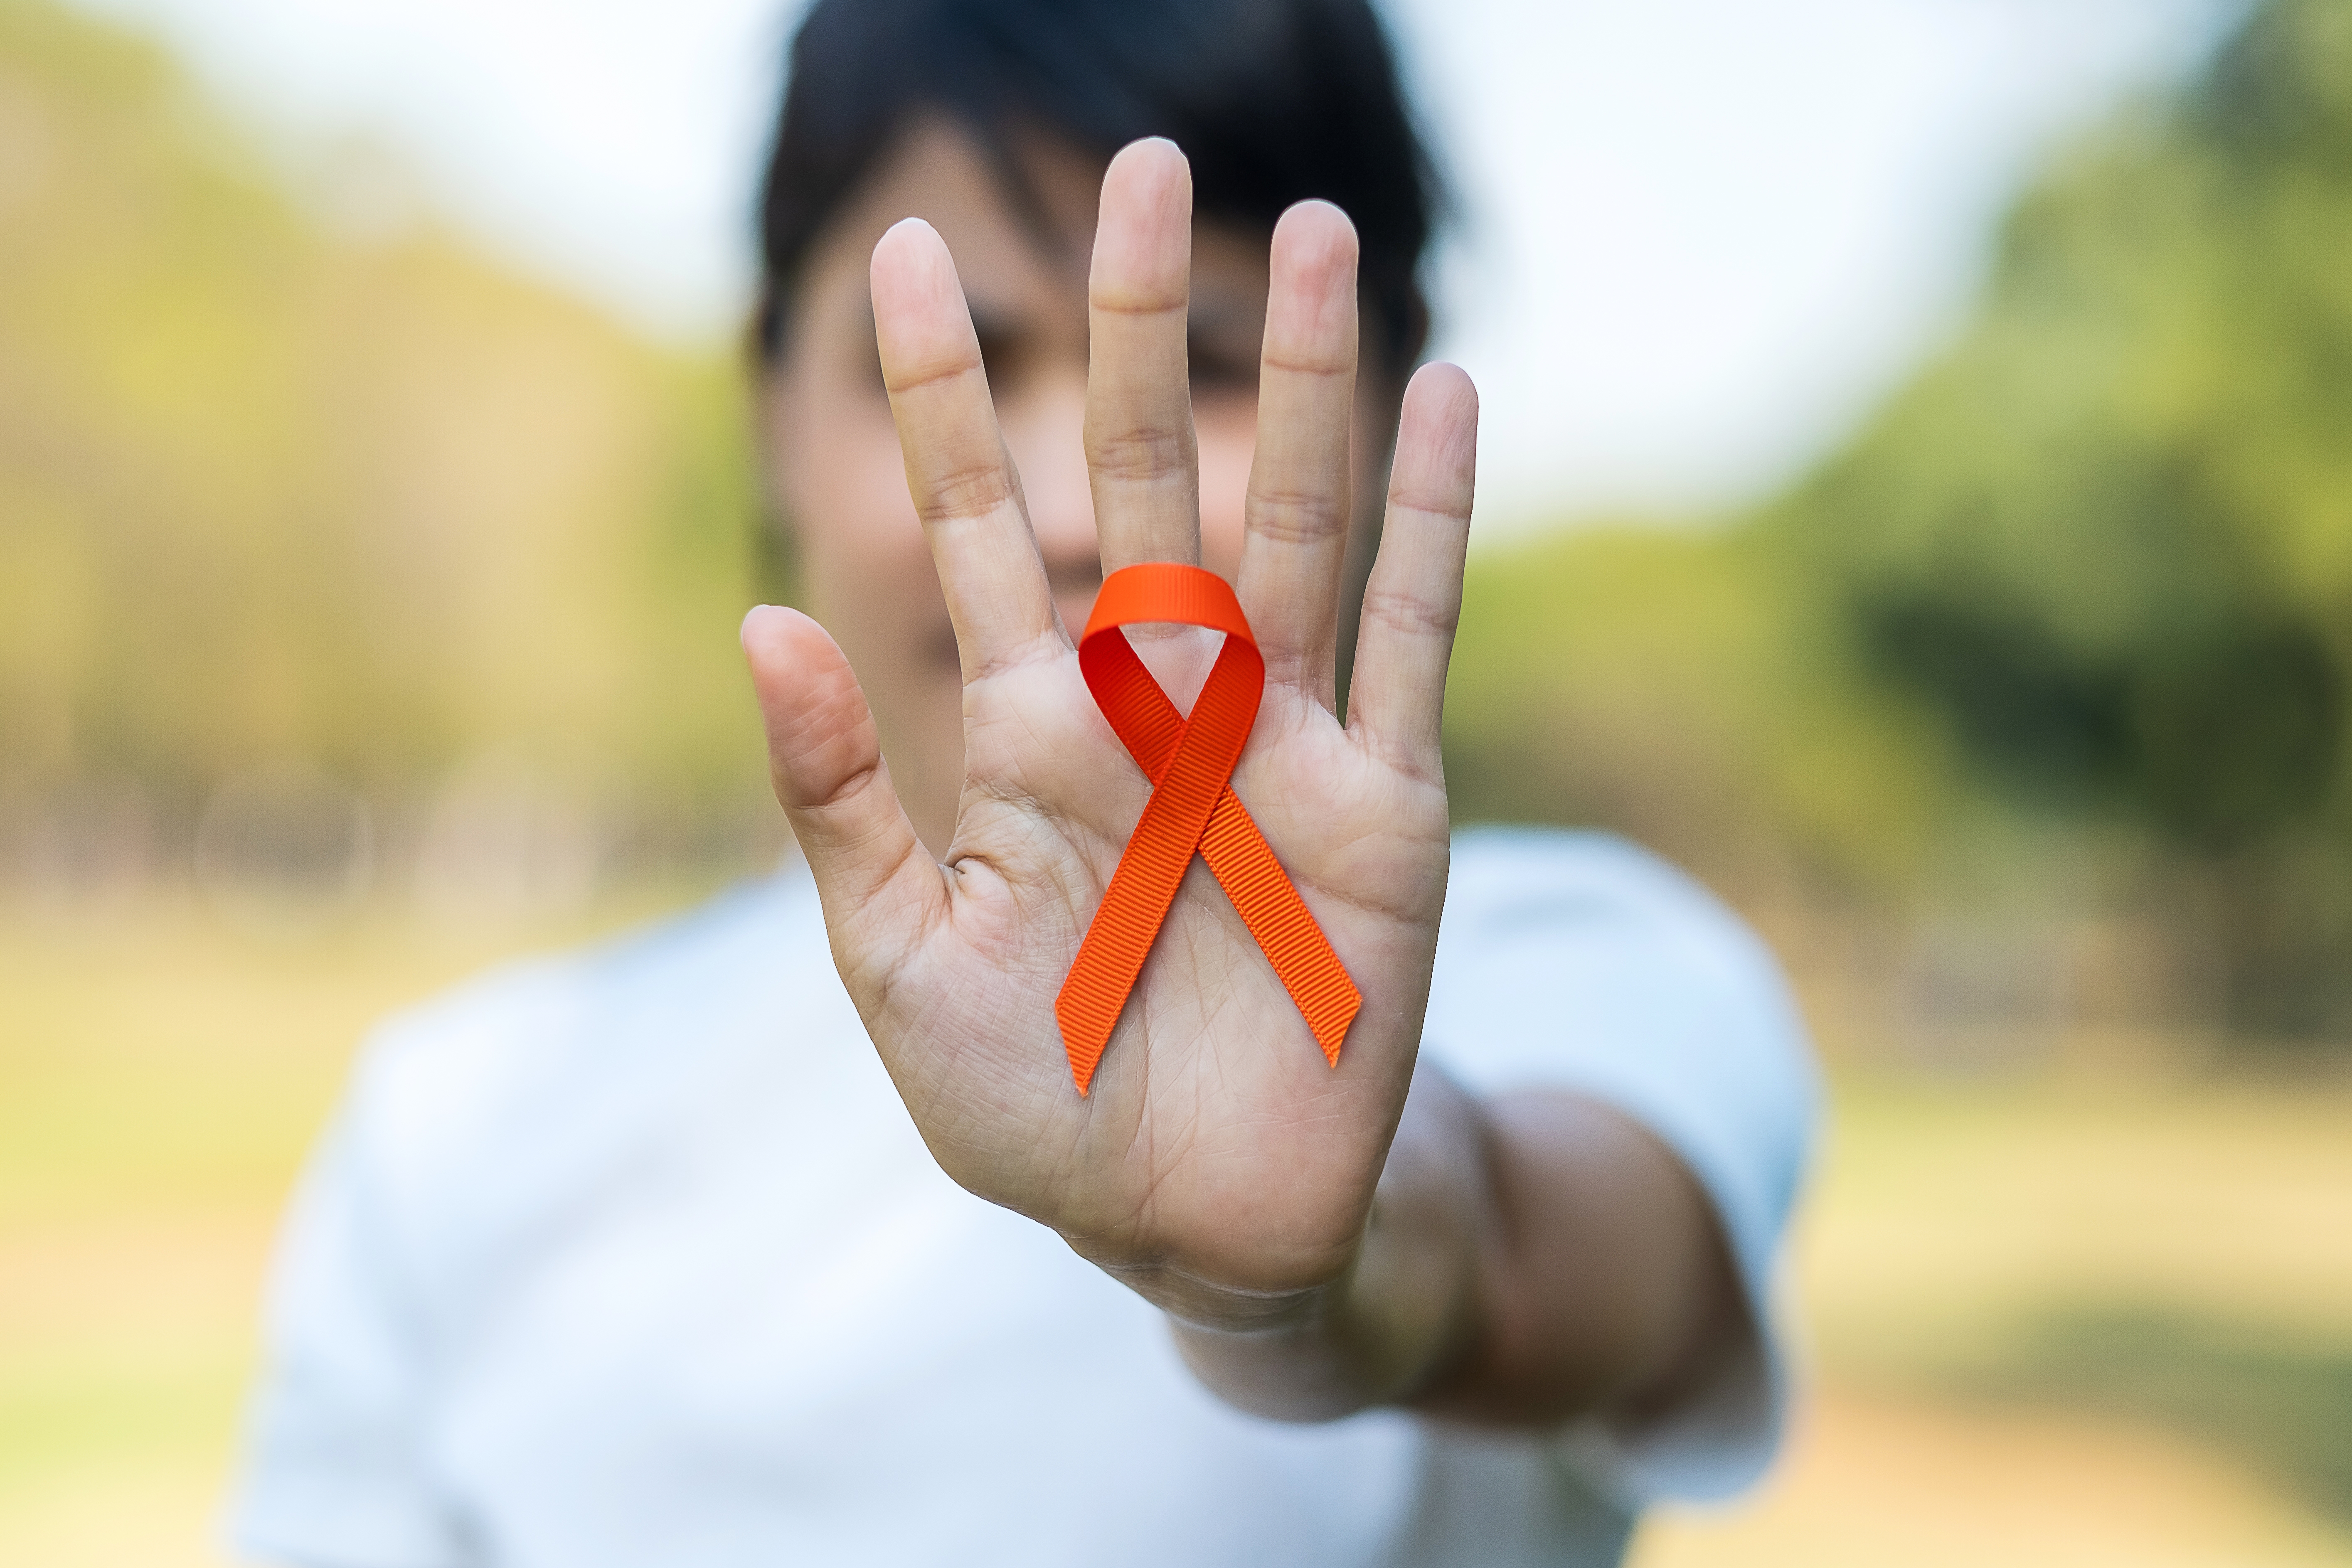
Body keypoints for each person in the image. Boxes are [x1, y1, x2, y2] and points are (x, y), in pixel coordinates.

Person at [232, 0, 1820, 1563]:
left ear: (1392, 393)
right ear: (771, 414)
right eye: (959, 360)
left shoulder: (1590, 965)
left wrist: (1306, 1287)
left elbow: (1524, 1262)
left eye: (1207, 360)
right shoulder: (458, 1125)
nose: (1066, 503)